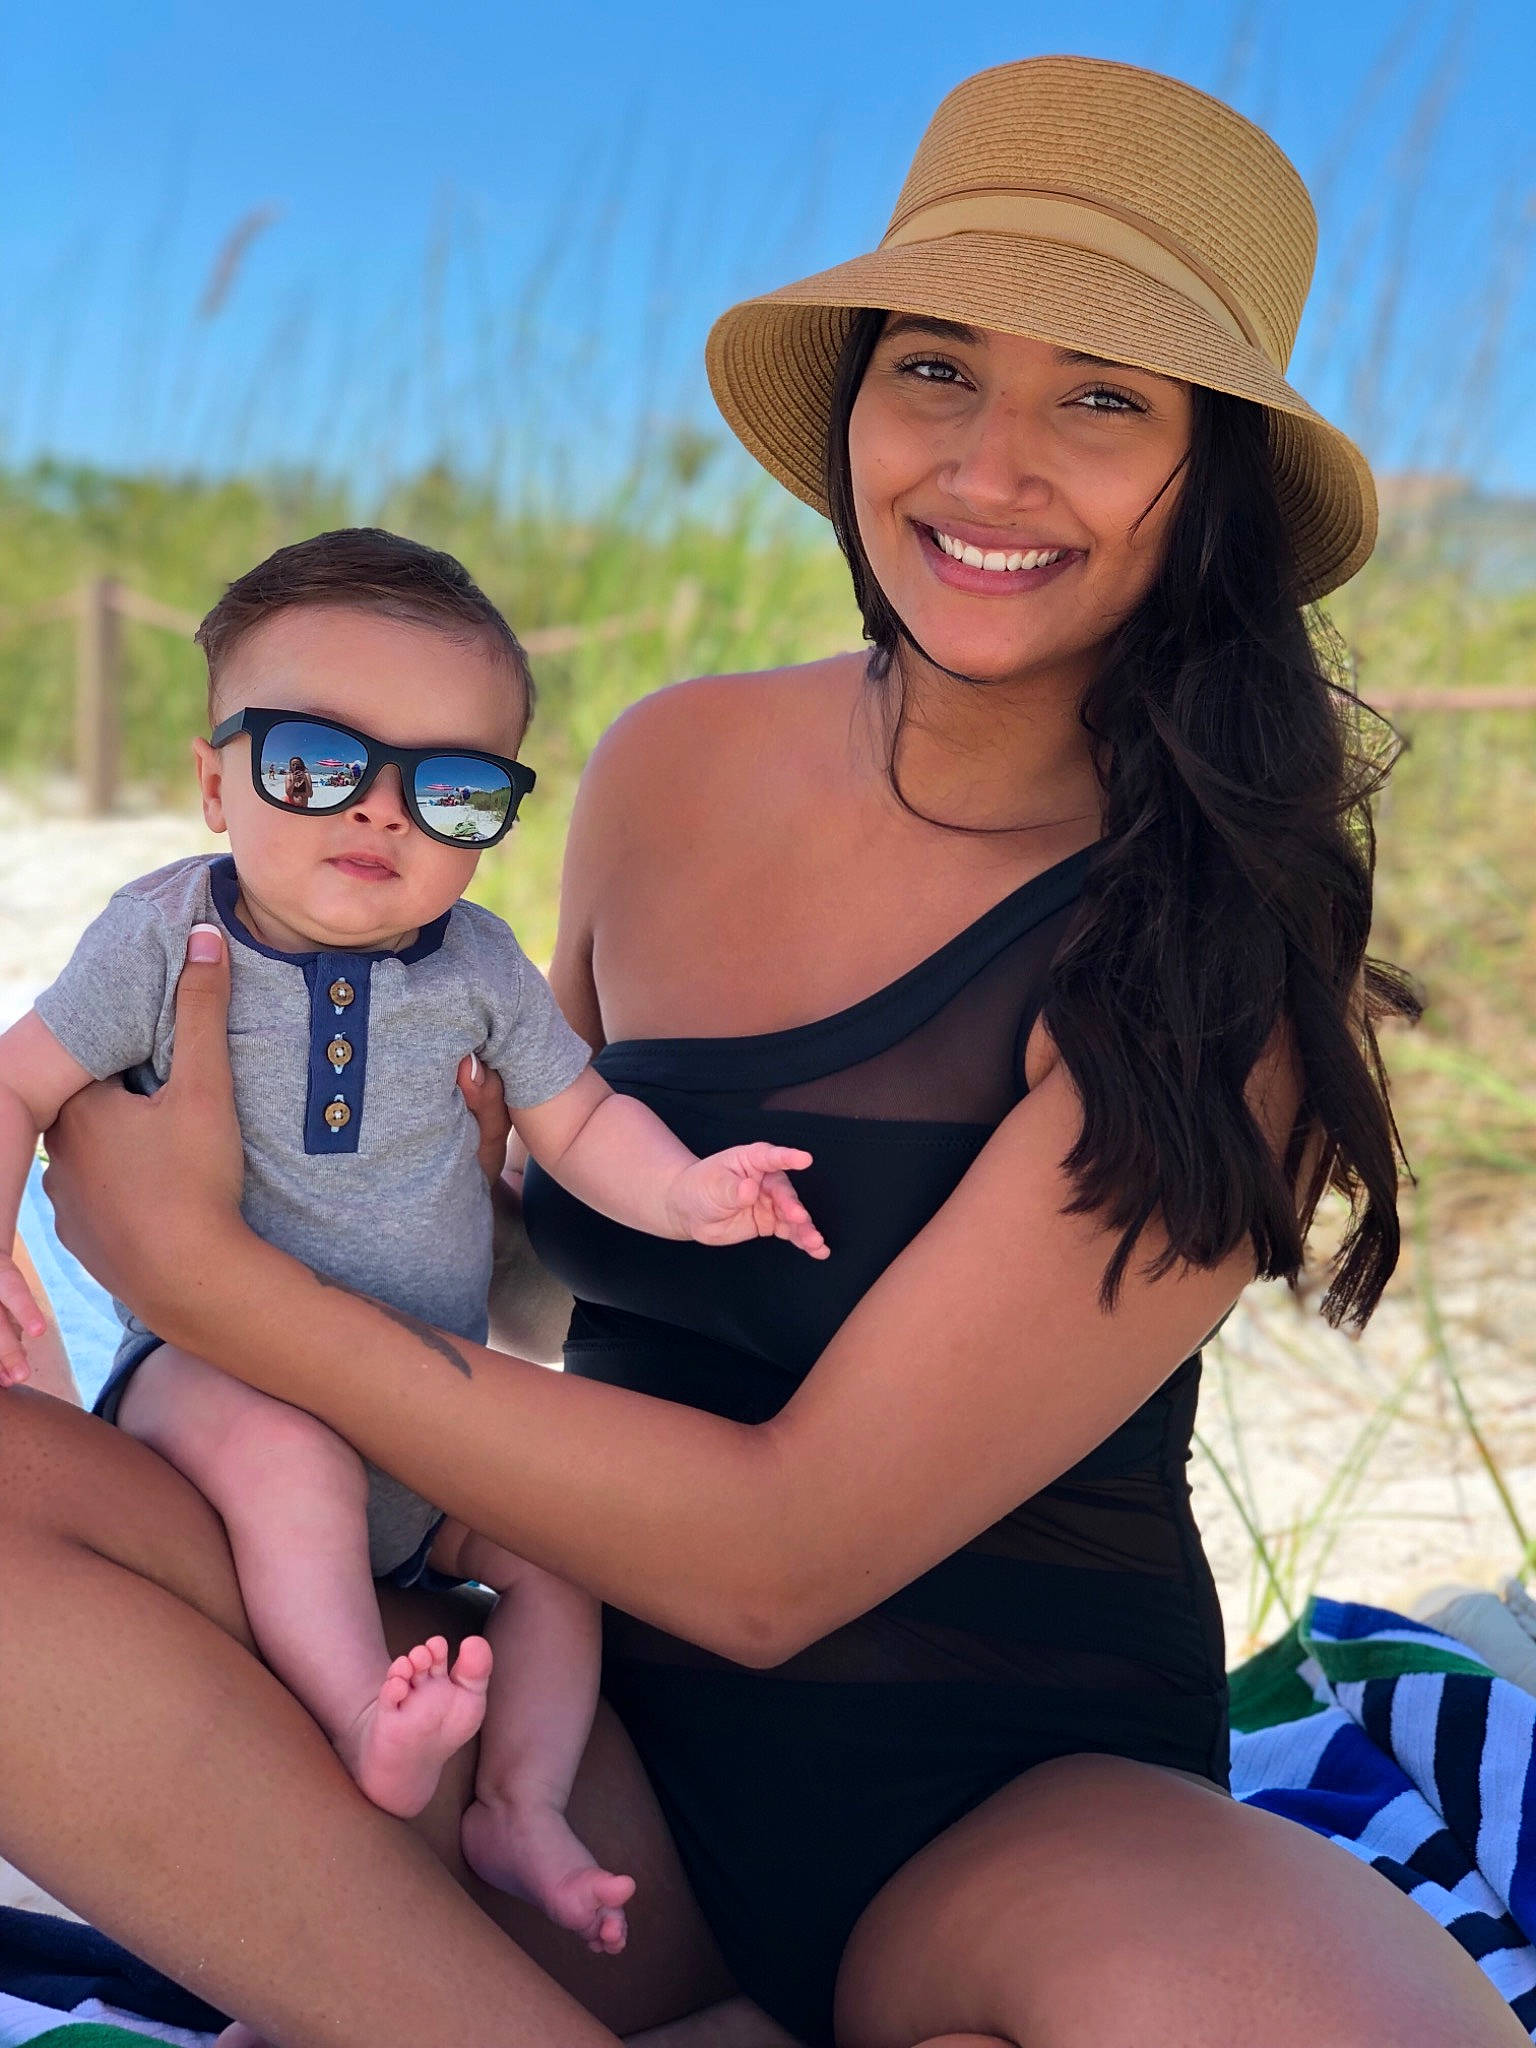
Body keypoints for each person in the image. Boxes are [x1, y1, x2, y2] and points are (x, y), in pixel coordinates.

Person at [1, 52, 1525, 2048]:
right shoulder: (672, 765)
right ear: (853, 401)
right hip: (584, 1751)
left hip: (1005, 1804)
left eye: (1101, 397)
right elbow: (537, 1250)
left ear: (1208, 469)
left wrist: (198, 1274)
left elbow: (778, 1562)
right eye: (934, 369)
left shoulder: (1213, 926)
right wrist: (272, 1161)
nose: (987, 468)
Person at [0, 529, 827, 1962]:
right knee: (289, 1457)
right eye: (316, 767)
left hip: (431, 1404)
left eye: (448, 790)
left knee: (563, 1549)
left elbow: (575, 1122)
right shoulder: (162, 936)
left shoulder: (485, 965)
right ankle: (360, 1730)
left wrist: (692, 1193)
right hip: (218, 1388)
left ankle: (520, 1801)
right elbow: (20, 1082)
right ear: (213, 782)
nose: (380, 815)